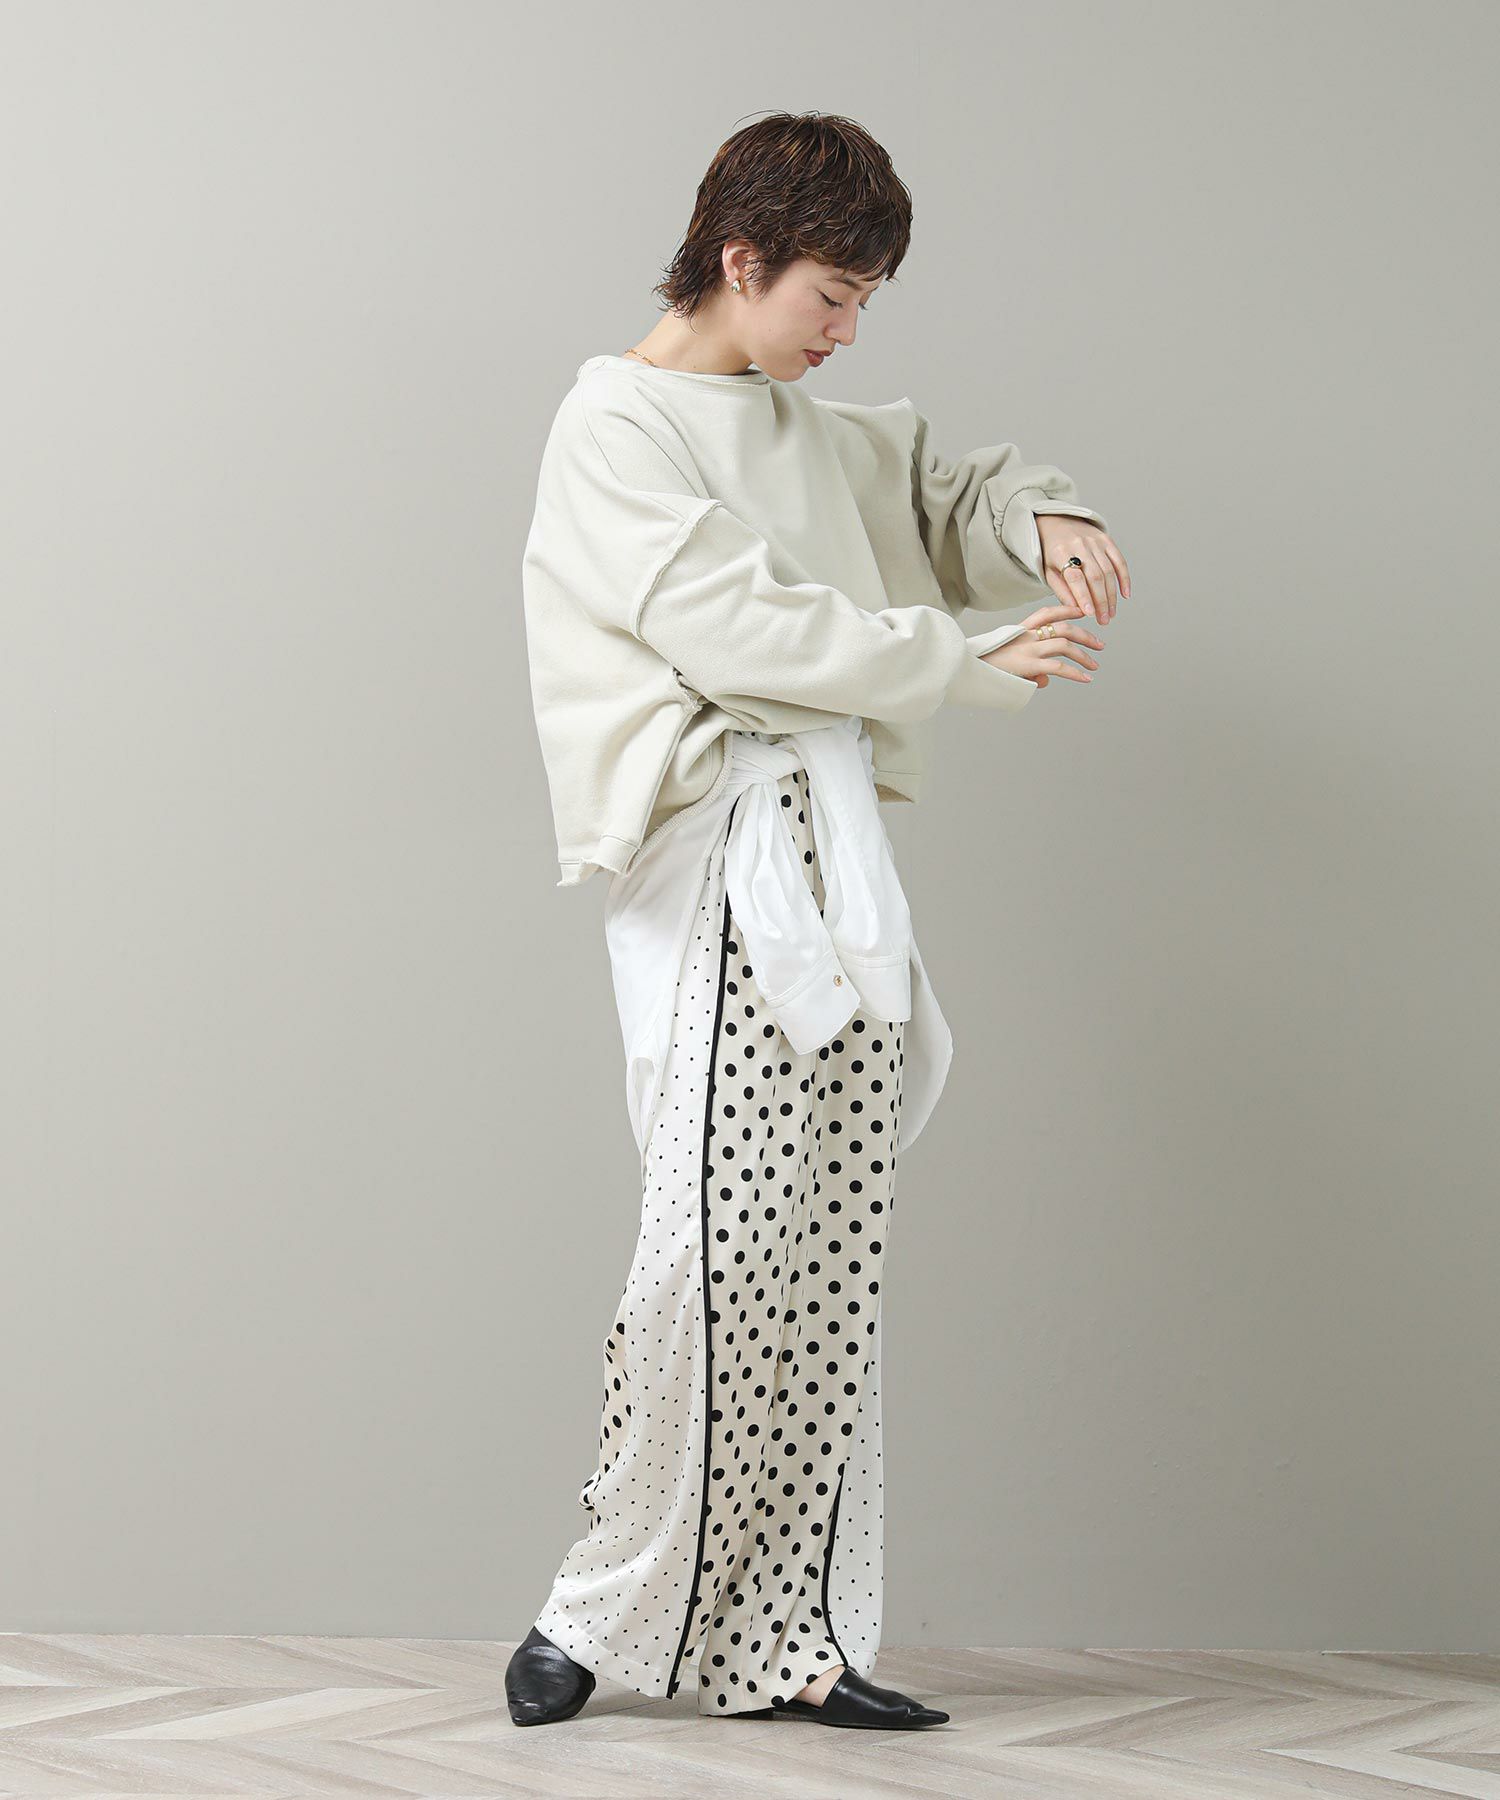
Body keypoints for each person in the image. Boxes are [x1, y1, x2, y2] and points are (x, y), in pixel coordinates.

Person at [510, 110, 1128, 1734]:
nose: (847, 331)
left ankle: (796, 1638)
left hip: (834, 856)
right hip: (728, 849)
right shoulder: (615, 423)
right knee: (712, 1248)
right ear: (741, 258)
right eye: (832, 296)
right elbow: (737, 625)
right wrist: (963, 664)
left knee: (828, 1250)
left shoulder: (805, 424)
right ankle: (593, 1609)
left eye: (863, 303)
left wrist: (1041, 520)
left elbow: (942, 482)